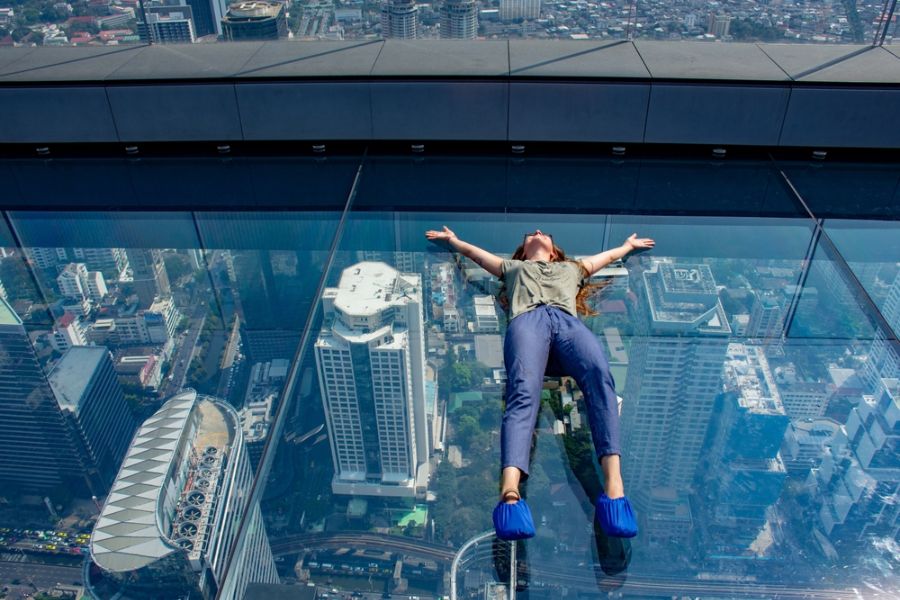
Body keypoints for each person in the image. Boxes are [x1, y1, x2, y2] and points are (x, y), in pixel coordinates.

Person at [424, 226, 655, 541]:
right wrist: (453, 242)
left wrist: (627, 247)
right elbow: (474, 256)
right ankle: (509, 494)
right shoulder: (513, 268)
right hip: (527, 322)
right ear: (523, 250)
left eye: (542, 233)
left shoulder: (570, 269)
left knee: (601, 378)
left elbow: (606, 258)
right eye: (530, 233)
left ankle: (615, 489)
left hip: (567, 322)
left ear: (554, 250)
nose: (536, 231)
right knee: (522, 394)